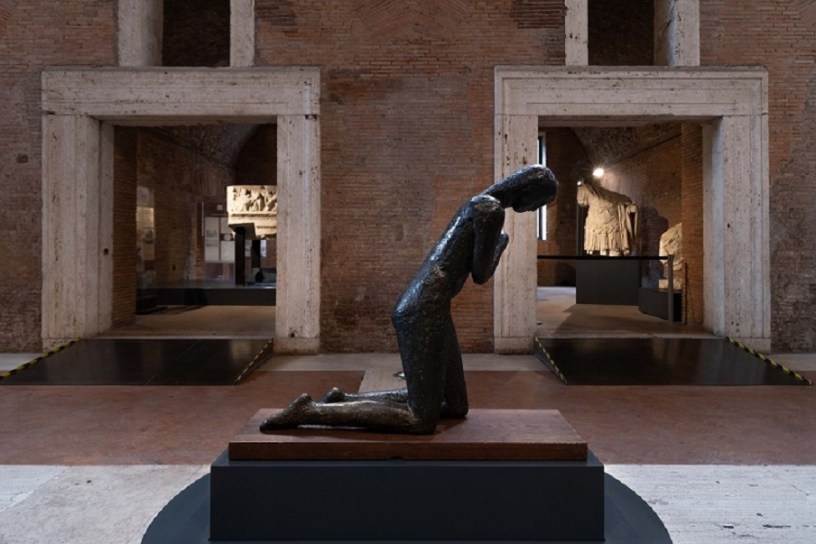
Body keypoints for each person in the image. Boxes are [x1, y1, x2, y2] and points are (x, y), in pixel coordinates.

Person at [260, 164, 557, 434]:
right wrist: (501, 245)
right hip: (424, 306)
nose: (533, 210)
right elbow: (481, 275)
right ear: (529, 191)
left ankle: (344, 399)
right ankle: (311, 411)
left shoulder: (478, 202)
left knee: (456, 406)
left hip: (431, 304)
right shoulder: (491, 210)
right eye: (539, 203)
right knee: (420, 420)